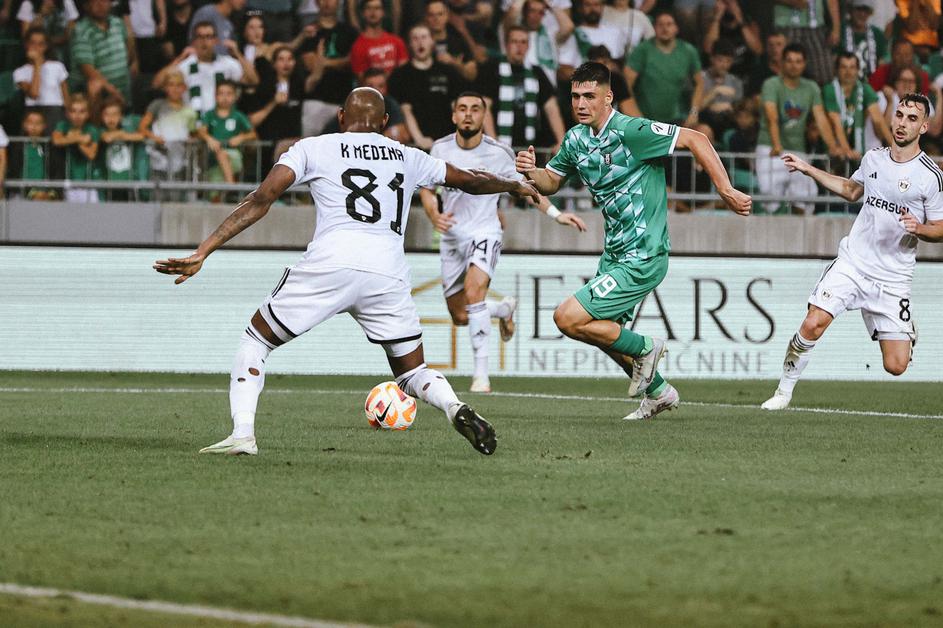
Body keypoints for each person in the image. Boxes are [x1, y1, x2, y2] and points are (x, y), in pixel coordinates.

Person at [154, 87, 541, 456]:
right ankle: (454, 406)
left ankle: (242, 434)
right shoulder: (408, 155)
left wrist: (204, 250)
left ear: (340, 117)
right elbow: (470, 179)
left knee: (256, 340)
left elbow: (262, 198)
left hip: (331, 263)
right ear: (386, 122)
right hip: (387, 272)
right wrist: (513, 185)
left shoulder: (312, 148)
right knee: (412, 371)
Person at [515, 62, 751, 421]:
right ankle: (659, 392)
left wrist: (726, 190)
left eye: (589, 96)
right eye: (575, 96)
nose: (581, 104)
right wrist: (530, 172)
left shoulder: (632, 130)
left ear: (608, 97)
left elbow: (696, 139)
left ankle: (646, 347)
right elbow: (550, 182)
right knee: (602, 333)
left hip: (644, 253)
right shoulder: (576, 139)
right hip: (614, 254)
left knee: (567, 317)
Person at [761, 93, 943, 410]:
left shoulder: (930, 175)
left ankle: (904, 331)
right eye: (899, 115)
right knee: (813, 322)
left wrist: (920, 228)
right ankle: (783, 392)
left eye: (912, 118)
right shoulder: (873, 159)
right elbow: (850, 190)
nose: (902, 123)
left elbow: (940, 227)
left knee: (896, 366)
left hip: (893, 277)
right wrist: (808, 169)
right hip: (853, 264)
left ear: (924, 127)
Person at [419, 92, 586, 392]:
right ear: (454, 116)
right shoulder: (440, 148)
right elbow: (427, 189)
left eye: (475, 109)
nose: (468, 114)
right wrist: (434, 214)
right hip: (452, 237)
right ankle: (503, 309)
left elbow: (526, 188)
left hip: (485, 232)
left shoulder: (499, 153)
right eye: (462, 108)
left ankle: (481, 376)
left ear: (484, 117)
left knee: (474, 293)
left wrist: (556, 214)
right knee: (460, 315)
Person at [756, 43, 840, 214]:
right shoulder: (771, 84)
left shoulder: (811, 87)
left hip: (797, 149)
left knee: (806, 195)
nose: (794, 65)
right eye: (789, 61)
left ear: (804, 64)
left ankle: (798, 230)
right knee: (769, 195)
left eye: (798, 61)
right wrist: (776, 145)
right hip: (770, 147)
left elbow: (821, 119)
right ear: (782, 62)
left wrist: (833, 146)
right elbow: (772, 116)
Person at [475, 25, 566, 151]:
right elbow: (484, 107)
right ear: (506, 45)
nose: (519, 46)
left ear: (528, 46)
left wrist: (561, 140)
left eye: (523, 42)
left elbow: (551, 108)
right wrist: (494, 142)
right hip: (499, 145)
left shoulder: (537, 72)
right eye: (514, 42)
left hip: (529, 147)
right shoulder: (492, 69)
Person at [153, 20, 258, 115]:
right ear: (193, 41)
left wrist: (237, 54)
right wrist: (180, 58)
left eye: (208, 37)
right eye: (200, 37)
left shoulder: (227, 63)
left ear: (216, 40)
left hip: (220, 121)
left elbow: (253, 80)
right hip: (193, 122)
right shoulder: (186, 65)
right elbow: (156, 84)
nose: (204, 41)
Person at [388, 24, 465, 150]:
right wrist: (419, 139)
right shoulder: (399, 75)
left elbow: (456, 106)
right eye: (415, 38)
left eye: (424, 37)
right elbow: (405, 110)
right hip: (417, 144)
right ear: (409, 44)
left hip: (449, 140)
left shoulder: (448, 72)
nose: (420, 42)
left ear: (432, 41)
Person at [623, 11, 703, 128]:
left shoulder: (688, 51)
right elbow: (626, 84)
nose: (665, 29)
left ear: (676, 28)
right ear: (654, 28)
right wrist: (638, 119)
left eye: (669, 24)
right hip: (647, 120)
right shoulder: (642, 50)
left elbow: (699, 83)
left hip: (679, 119)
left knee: (705, 131)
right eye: (660, 25)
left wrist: (694, 113)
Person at [297, 0, 359, 138]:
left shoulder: (349, 32)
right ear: (316, 3)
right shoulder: (309, 31)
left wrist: (323, 62)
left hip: (343, 101)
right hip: (315, 101)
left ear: (338, 3)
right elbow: (310, 63)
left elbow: (353, 61)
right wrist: (340, 62)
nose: (327, 2)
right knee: (311, 148)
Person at [823, 52, 892, 160]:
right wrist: (847, 151)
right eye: (844, 67)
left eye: (852, 67)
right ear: (836, 70)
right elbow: (835, 122)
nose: (848, 72)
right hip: (832, 150)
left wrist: (896, 148)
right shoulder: (829, 89)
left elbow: (878, 120)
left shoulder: (865, 89)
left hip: (857, 149)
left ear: (858, 70)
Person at [70, 0, 137, 111]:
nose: (101, 5)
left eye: (105, 1)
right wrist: (115, 94)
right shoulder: (81, 31)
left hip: (123, 88)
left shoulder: (118, 23)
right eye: (95, 2)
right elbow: (89, 70)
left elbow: (129, 51)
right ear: (86, 6)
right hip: (100, 92)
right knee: (94, 86)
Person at [139, 68, 197, 182]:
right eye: (171, 85)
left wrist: (191, 139)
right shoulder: (157, 105)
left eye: (178, 85)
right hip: (158, 159)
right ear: (165, 87)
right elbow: (142, 127)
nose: (175, 89)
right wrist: (155, 138)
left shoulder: (190, 111)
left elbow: (192, 133)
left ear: (184, 88)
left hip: (180, 161)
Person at [196, 79, 255, 185]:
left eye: (229, 94)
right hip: (213, 160)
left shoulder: (238, 116)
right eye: (221, 93)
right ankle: (227, 189)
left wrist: (241, 137)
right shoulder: (209, 115)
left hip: (234, 155)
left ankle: (231, 185)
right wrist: (209, 138)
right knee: (215, 190)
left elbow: (253, 134)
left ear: (235, 96)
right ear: (215, 96)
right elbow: (201, 131)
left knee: (221, 154)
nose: (225, 97)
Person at [14, 27, 70, 131]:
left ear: (46, 46)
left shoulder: (57, 66)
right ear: (26, 44)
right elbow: (34, 94)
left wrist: (68, 114)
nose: (36, 47)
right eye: (32, 43)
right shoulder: (20, 72)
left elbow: (66, 96)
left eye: (41, 44)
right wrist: (37, 65)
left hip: (56, 110)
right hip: (33, 110)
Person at [773, 0, 840, 85]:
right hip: (787, 26)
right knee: (785, 73)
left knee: (825, 75)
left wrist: (836, 28)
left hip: (816, 27)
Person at [51, 94, 100, 203]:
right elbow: (57, 140)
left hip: (89, 181)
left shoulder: (92, 129)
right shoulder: (63, 125)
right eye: (73, 111)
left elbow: (91, 154)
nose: (77, 116)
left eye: (82, 111)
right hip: (68, 181)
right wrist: (79, 138)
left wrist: (71, 138)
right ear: (67, 113)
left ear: (88, 114)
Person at [349, 0, 408, 80]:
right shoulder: (358, 46)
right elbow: (362, 79)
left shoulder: (397, 42)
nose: (373, 12)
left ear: (383, 12)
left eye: (377, 8)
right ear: (363, 13)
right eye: (368, 8)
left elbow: (405, 72)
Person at [98, 99, 145, 199]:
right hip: (108, 182)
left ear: (121, 117)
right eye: (107, 114)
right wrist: (121, 134)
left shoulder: (127, 130)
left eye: (115, 114)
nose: (111, 118)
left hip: (128, 180)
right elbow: (106, 138)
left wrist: (121, 134)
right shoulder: (100, 130)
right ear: (101, 117)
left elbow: (141, 136)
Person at [839, 0, 888, 81]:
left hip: (872, 83)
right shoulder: (840, 31)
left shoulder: (877, 34)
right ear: (850, 10)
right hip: (845, 82)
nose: (862, 14)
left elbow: (882, 64)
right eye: (858, 9)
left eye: (866, 10)